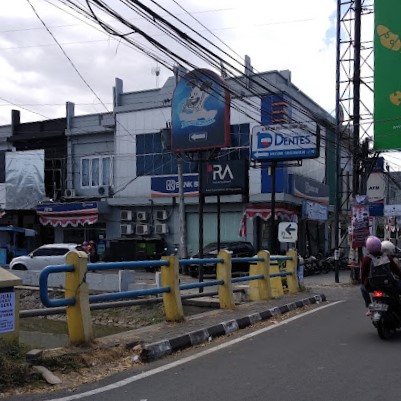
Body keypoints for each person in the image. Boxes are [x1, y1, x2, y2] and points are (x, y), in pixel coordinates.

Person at [360, 236, 401, 316]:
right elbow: (396, 271)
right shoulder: (387, 257)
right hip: (388, 285)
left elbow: (363, 274)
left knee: (362, 288)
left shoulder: (366, 259)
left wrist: (363, 282)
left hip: (372, 286)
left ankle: (369, 307)